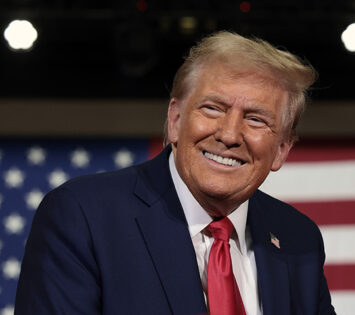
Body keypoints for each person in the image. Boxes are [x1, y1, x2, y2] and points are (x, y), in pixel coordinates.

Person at [15, 31, 336, 315]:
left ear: (281, 149)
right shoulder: (83, 216)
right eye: (213, 108)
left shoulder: (298, 239)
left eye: (255, 120)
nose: (229, 134)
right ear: (176, 120)